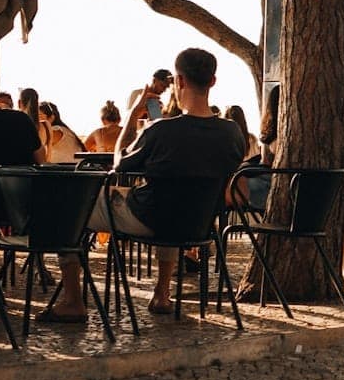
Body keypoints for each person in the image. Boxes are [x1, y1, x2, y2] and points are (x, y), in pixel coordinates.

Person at [52, 48, 245, 319]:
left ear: (179, 81)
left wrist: (132, 112)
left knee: (71, 205)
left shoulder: (161, 130)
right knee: (173, 196)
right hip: (198, 224)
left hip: (150, 218)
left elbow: (120, 163)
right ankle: (162, 294)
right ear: (212, 81)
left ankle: (72, 300)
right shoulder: (232, 132)